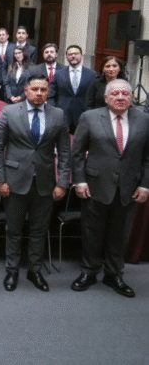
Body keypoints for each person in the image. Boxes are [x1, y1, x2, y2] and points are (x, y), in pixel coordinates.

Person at [0, 74, 70, 292]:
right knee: (14, 229)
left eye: (43, 90)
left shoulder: (58, 114)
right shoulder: (9, 111)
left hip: (45, 182)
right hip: (14, 181)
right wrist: (0, 179)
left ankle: (35, 270)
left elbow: (64, 151)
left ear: (49, 92)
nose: (39, 93)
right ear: (26, 90)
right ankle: (12, 270)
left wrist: (63, 182)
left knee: (39, 229)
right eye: (35, 89)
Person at [71, 79, 149, 298]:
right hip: (94, 186)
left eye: (125, 93)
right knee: (92, 232)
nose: (121, 97)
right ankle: (89, 271)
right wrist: (80, 181)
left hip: (128, 188)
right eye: (115, 94)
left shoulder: (144, 120)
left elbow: (147, 158)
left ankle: (114, 274)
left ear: (132, 97)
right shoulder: (90, 117)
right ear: (106, 98)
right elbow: (77, 153)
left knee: (120, 234)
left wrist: (145, 185)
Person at [49, 45, 96, 133]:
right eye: (70, 54)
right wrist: (54, 110)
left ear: (81, 56)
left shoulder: (92, 74)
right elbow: (51, 94)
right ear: (66, 57)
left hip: (83, 116)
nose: (73, 56)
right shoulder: (59, 74)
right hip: (63, 116)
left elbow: (94, 96)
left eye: (76, 54)